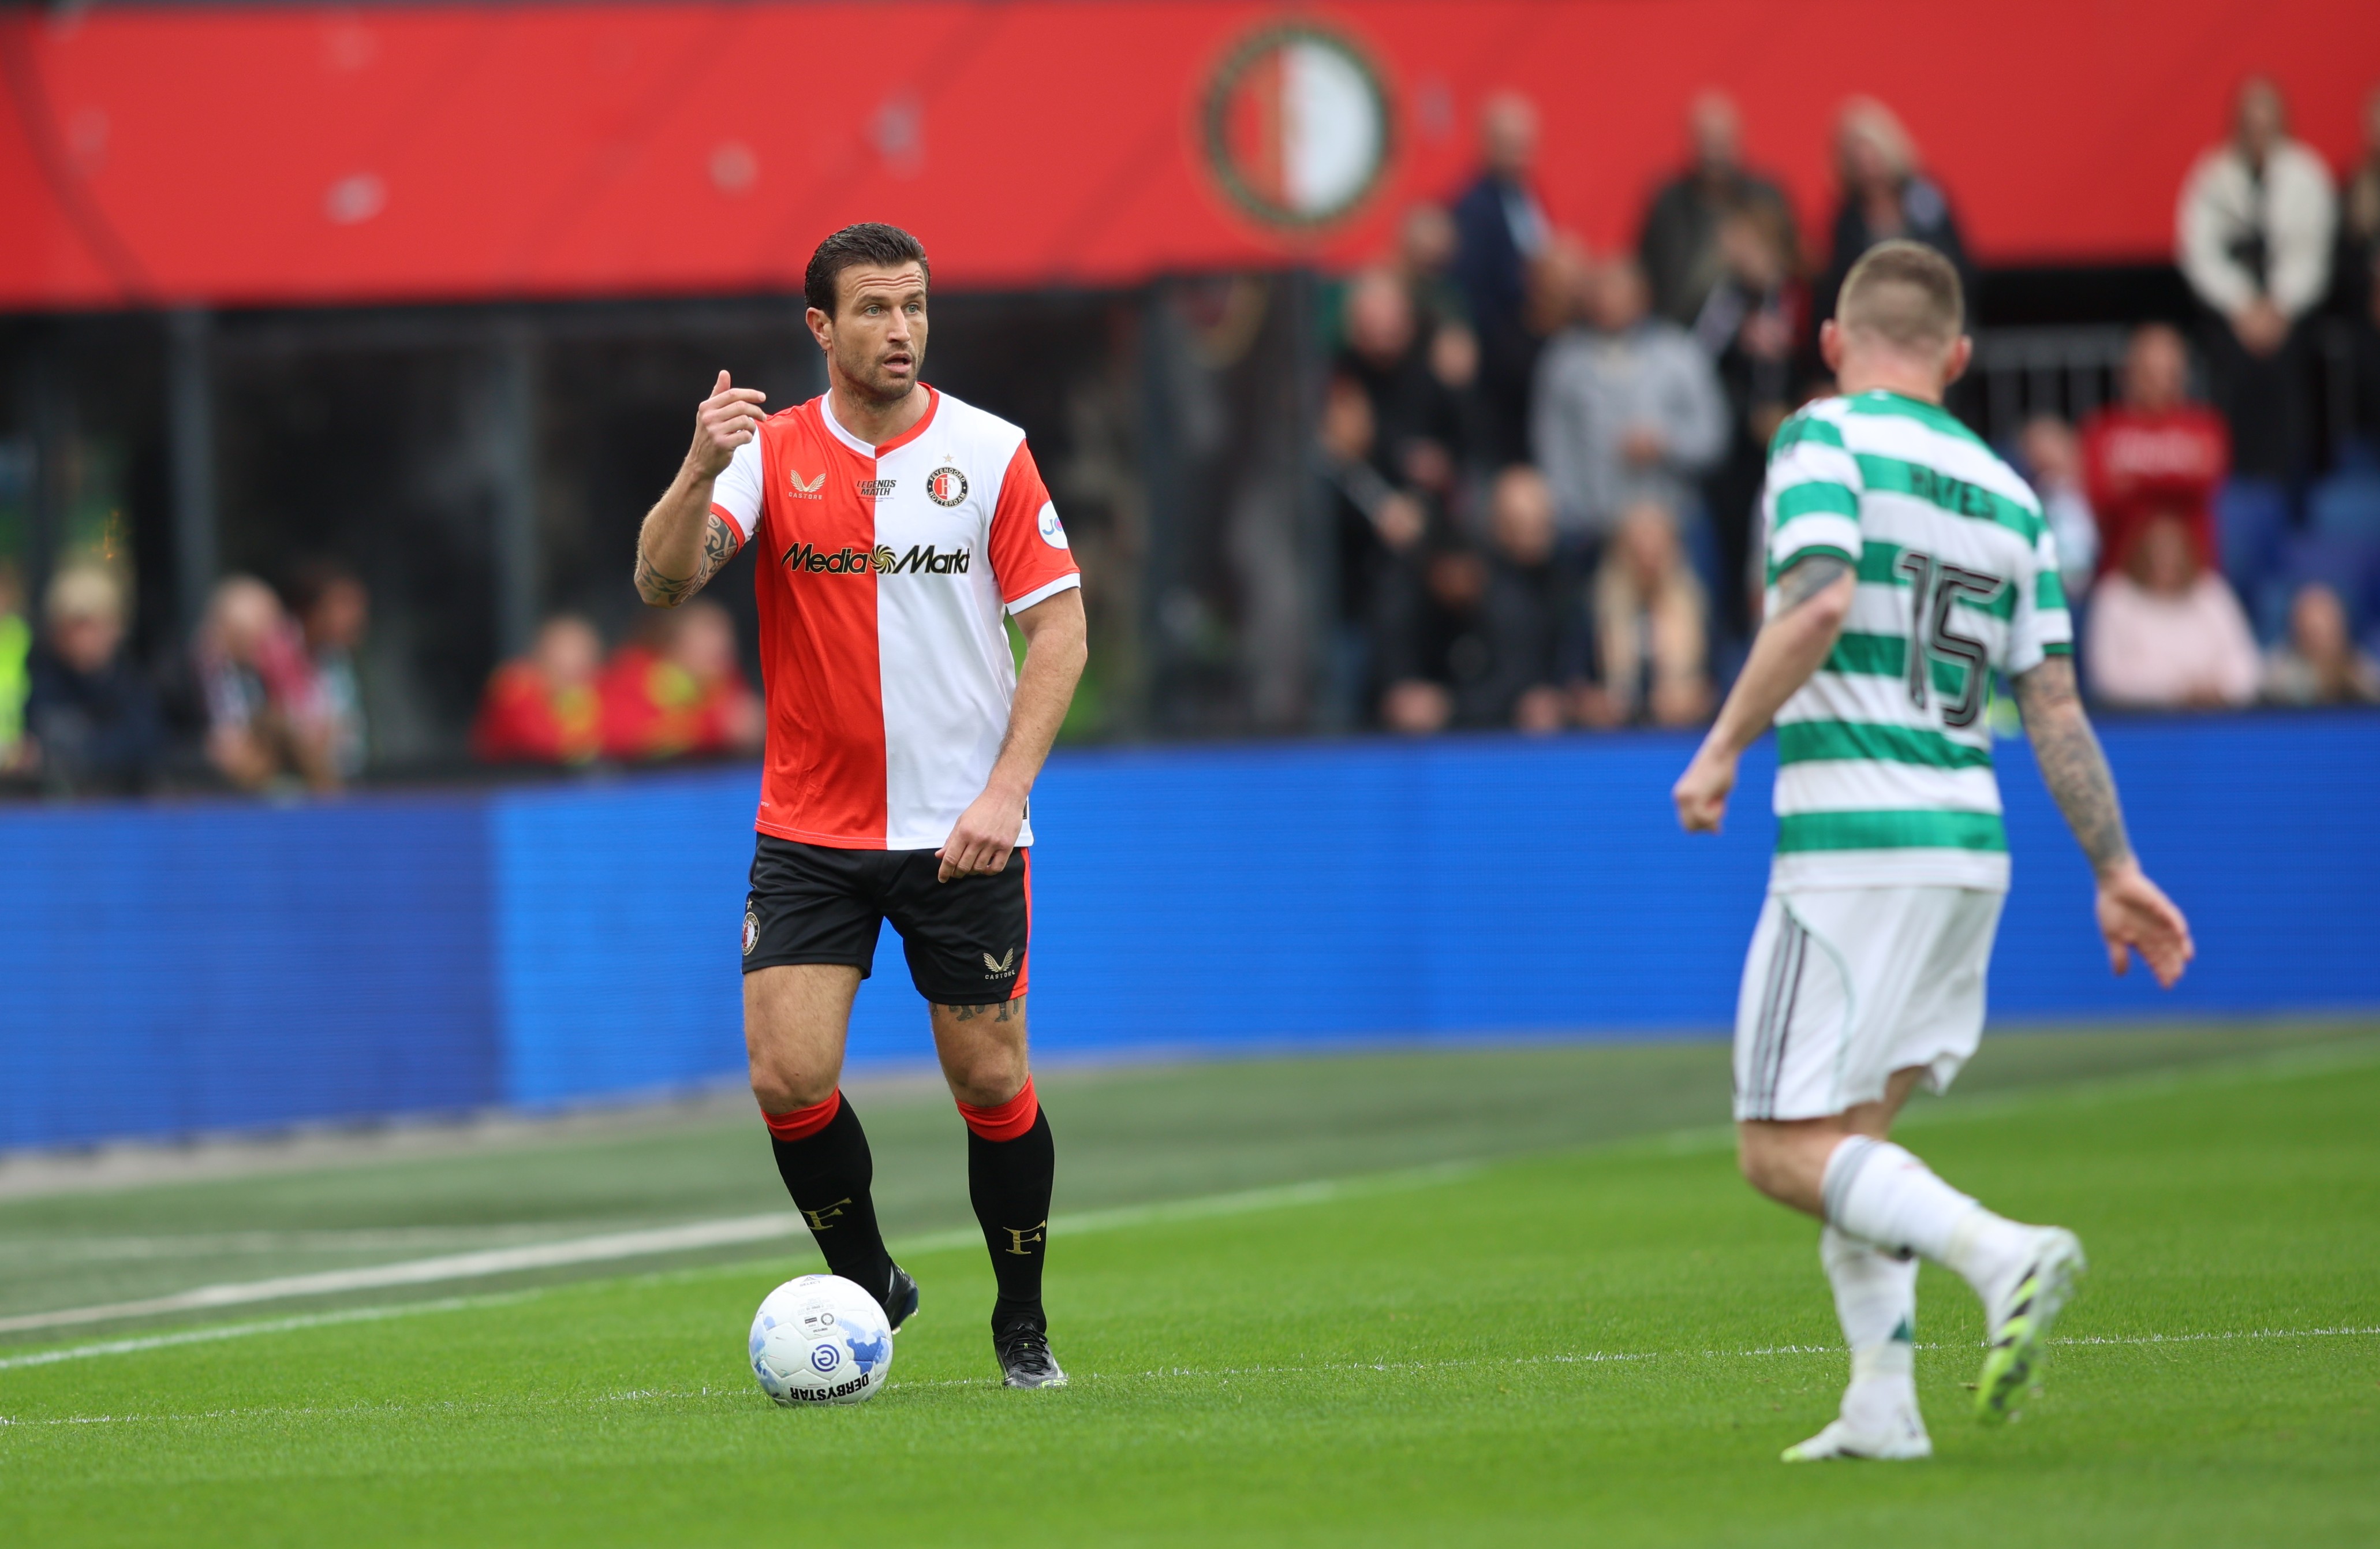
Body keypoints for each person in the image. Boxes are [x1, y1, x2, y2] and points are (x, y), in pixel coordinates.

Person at [1672, 241, 2194, 1461]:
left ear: (1835, 345)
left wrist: (1721, 746)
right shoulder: (2013, 494)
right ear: (1957, 360)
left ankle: (2000, 1255)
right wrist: (2113, 868)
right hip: (1970, 846)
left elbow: (1813, 599)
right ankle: (1881, 1406)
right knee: (1851, 1135)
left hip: (1855, 841)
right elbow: (2054, 706)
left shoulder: (1822, 440)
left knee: (1778, 1149)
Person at [630, 223, 1086, 1390]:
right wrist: (694, 465)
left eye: (917, 306)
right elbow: (662, 579)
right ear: (822, 328)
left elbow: (1062, 633)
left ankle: (1021, 1322)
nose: (902, 329)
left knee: (987, 1077)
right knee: (788, 1078)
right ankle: (872, 1285)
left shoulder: (990, 452)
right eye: (876, 309)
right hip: (810, 831)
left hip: (962, 832)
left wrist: (1005, 791)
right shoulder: (768, 452)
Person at [2177, 77, 2336, 481]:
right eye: (2250, 123)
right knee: (2231, 377)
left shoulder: (2307, 174)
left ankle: (2296, 482)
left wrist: (2279, 307)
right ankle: (2236, 478)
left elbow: (2312, 251)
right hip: (2233, 317)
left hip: (2291, 317)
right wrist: (2242, 306)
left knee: (2296, 381)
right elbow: (2198, 251)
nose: (2258, 133)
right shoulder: (2212, 175)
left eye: (2266, 123)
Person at [1531, 257, 1728, 545]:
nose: (1607, 302)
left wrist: (1666, 443)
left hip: (1675, 526)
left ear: (1643, 297)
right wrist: (1571, 514)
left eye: (1618, 292)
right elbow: (1551, 445)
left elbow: (1714, 438)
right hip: (1592, 530)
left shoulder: (1680, 354)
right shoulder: (1564, 361)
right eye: (1600, 293)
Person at [1695, 206, 1809, 637]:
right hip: (1740, 446)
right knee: (1736, 539)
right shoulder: (1726, 298)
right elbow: (1701, 360)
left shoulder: (1799, 294)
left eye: (1741, 243)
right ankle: (1741, 632)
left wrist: (1790, 413)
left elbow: (1816, 363)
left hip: (1794, 434)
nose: (1733, 253)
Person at [1638, 91, 1800, 327]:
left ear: (1739, 139)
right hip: (1678, 330)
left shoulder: (1766, 197)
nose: (1713, 152)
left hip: (1756, 323)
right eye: (1705, 140)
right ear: (1690, 142)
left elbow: (1795, 268)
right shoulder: (1668, 201)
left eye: (1721, 141)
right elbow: (1644, 268)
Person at [2079, 324, 2228, 581]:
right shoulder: (2102, 429)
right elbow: (2101, 495)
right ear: (2128, 374)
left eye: (2170, 373)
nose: (2161, 383)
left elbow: (2204, 484)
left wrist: (2134, 483)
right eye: (2150, 373)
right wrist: (2173, 481)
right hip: (2120, 580)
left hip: (2196, 580)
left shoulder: (2206, 425)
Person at [1815, 99, 1971, 341]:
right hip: (1873, 334)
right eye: (1857, 157)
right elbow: (1835, 287)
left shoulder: (1926, 199)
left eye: (1872, 153)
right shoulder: (1846, 221)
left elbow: (1959, 264)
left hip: (1934, 325)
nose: (1867, 165)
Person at [1452, 91, 1552, 465]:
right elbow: (1475, 287)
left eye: (1525, 144)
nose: (1519, 153)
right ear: (1486, 144)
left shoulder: (1525, 194)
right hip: (1504, 353)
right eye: (1509, 144)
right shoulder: (1475, 206)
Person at [2084, 513, 2262, 710]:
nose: (2165, 563)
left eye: (2173, 553)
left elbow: (2247, 668)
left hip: (2215, 718)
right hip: (2140, 723)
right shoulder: (2115, 597)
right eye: (2156, 554)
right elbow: (2108, 678)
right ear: (2140, 554)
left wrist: (2219, 688)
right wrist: (2177, 689)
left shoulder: (2212, 594)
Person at [20, 565, 162, 796]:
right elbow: (37, 743)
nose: (84, 637)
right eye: (75, 625)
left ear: (116, 627)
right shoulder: (39, 681)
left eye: (94, 625)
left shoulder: (135, 685)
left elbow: (145, 747)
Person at [194, 574, 338, 793]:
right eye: (264, 629)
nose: (274, 640)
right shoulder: (183, 678)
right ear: (229, 629)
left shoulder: (268, 673)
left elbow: (305, 737)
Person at [1577, 499, 1713, 729]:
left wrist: (1697, 699)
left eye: (1657, 549)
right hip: (1612, 740)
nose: (1648, 559)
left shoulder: (1697, 605)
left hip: (1681, 736)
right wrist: (1592, 703)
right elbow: (1572, 680)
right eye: (1638, 549)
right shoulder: (1594, 608)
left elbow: (1721, 681)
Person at [597, 598, 764, 761]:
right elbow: (625, 737)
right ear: (673, 644)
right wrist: (716, 726)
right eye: (707, 633)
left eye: (726, 634)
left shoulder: (727, 682)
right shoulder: (636, 676)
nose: (722, 644)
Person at [473, 614, 606, 765]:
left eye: (583, 649)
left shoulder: (599, 690)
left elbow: (626, 730)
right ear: (541, 653)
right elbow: (537, 740)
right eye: (564, 647)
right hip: (508, 781)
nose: (575, 658)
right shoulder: (514, 686)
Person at [286, 560, 369, 781]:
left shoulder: (337, 661)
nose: (356, 616)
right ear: (309, 610)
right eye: (343, 605)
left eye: (358, 606)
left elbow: (351, 749)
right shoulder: (273, 655)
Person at [2016, 417, 2099, 600]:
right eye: (2035, 450)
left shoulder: (2095, 490)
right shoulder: (2034, 496)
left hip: (2093, 590)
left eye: (2051, 445)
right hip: (2051, 590)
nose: (2045, 456)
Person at [2263, 582, 2380, 705]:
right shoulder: (2277, 685)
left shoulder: (2362, 675)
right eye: (2312, 632)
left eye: (2328, 630)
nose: (2321, 642)